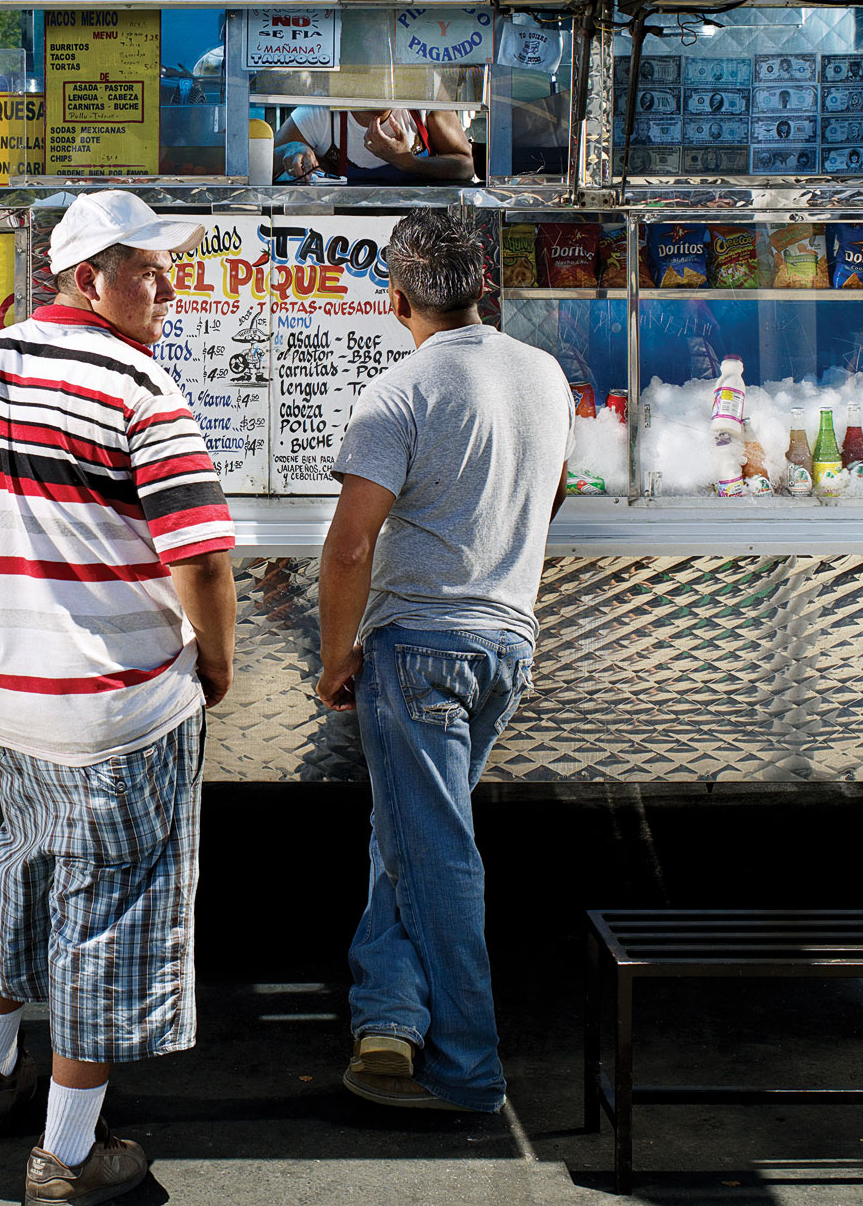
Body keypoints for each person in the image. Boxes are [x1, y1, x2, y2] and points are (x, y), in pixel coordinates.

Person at [0, 188, 238, 1206]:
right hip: (116, 707)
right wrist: (216, 663)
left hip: (6, 696)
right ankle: (65, 1152)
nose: (166, 286)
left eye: (164, 266)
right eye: (143, 268)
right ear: (84, 277)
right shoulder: (140, 390)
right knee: (113, 911)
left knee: (23, 868)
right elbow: (201, 565)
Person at [312, 207, 570, 1114]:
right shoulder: (545, 376)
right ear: (486, 289)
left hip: (419, 648)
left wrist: (334, 656)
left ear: (395, 299)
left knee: (439, 854)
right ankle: (388, 1018)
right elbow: (552, 498)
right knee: (411, 836)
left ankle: (469, 1070)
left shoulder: (399, 393)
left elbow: (348, 548)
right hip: (507, 641)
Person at [275, 103, 474, 184]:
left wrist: (409, 162)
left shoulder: (425, 104)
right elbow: (260, 165)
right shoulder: (318, 114)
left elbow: (466, 167)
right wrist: (290, 150)